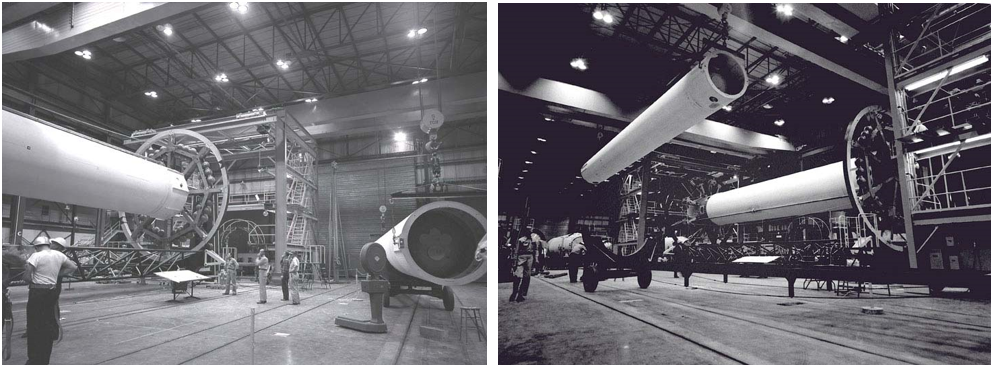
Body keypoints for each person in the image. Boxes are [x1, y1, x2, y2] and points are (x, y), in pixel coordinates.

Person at [23, 237, 77, 365]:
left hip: (37, 293)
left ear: (36, 247)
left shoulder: (36, 256)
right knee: (47, 323)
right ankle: (44, 359)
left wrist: (34, 280)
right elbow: (73, 267)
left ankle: (34, 360)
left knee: (34, 325)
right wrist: (56, 274)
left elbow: (26, 277)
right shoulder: (59, 255)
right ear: (48, 244)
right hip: (51, 291)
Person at [509, 235, 536, 303]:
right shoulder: (524, 240)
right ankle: (516, 294)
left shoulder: (529, 240)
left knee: (525, 276)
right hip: (525, 256)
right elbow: (516, 250)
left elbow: (535, 250)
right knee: (521, 276)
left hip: (526, 256)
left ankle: (518, 294)